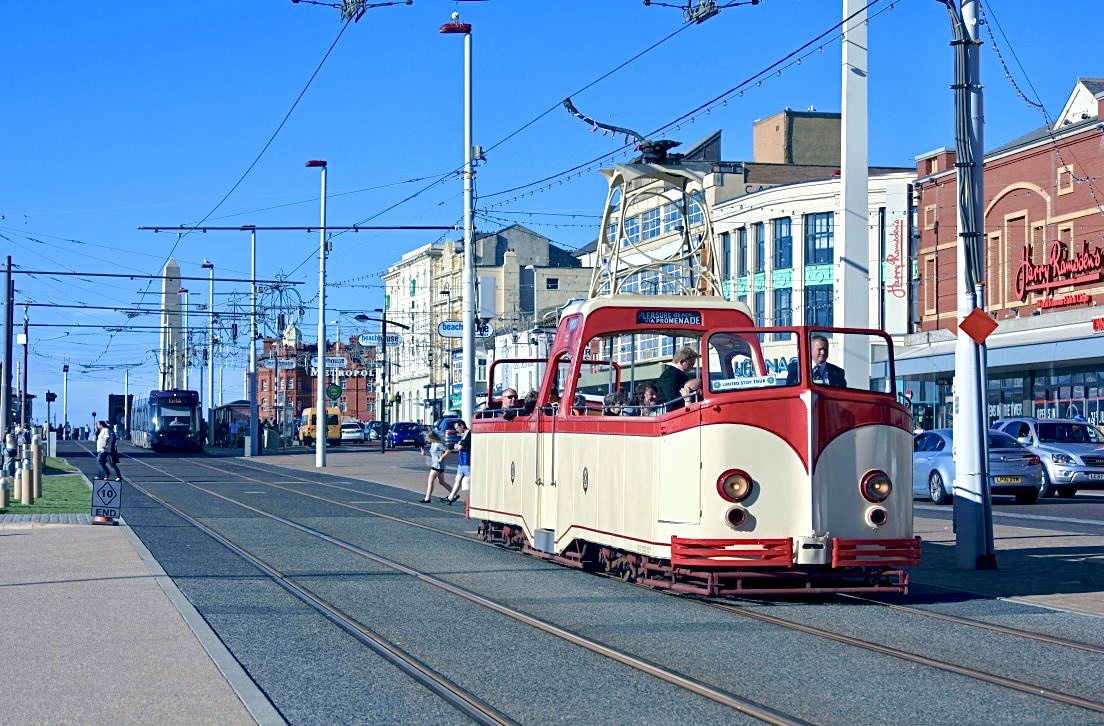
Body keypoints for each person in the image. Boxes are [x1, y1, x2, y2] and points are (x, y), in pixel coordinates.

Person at [657, 346, 700, 412]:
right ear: (682, 362)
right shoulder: (670, 375)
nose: (691, 368)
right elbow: (672, 399)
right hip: (671, 414)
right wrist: (692, 396)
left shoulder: (676, 374)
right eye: (690, 365)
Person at [443, 419, 470, 505]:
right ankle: (451, 497)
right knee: (457, 479)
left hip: (467, 462)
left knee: (471, 480)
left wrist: (451, 445)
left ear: (462, 426)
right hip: (461, 462)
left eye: (457, 428)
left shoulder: (469, 434)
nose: (456, 430)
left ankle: (475, 498)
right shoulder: (463, 434)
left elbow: (460, 447)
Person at [421, 430, 449, 503]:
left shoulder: (439, 444)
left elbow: (448, 451)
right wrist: (425, 453)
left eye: (427, 438)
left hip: (438, 465)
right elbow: (434, 454)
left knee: (430, 480)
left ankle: (427, 498)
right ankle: (454, 493)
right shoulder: (433, 444)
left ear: (431, 437)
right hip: (436, 464)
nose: (427, 439)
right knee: (441, 482)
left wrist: (441, 457)